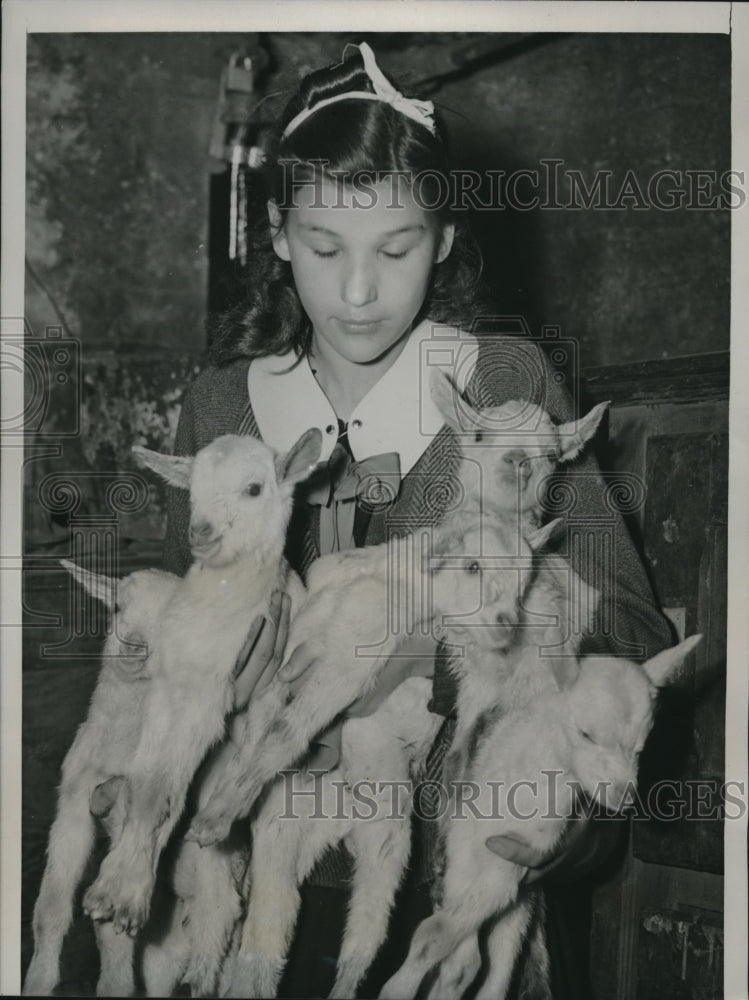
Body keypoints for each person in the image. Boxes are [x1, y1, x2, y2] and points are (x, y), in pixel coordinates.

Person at [163, 41, 673, 999]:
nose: (358, 291)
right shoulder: (220, 409)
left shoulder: (507, 385)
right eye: (323, 249)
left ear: (441, 240)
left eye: (395, 250)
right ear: (276, 235)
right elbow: (182, 635)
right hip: (263, 891)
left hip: (452, 877)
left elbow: (634, 632)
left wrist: (443, 651)